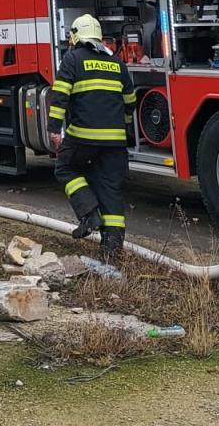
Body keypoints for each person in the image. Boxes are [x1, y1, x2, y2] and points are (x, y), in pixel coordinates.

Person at [48, 14, 136, 262]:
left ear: (75, 36)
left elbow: (60, 96)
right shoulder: (117, 62)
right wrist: (123, 127)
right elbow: (130, 102)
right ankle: (112, 252)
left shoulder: (73, 59)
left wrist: (54, 130)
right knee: (110, 190)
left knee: (65, 168)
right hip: (115, 142)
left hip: (83, 137)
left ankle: (89, 215)